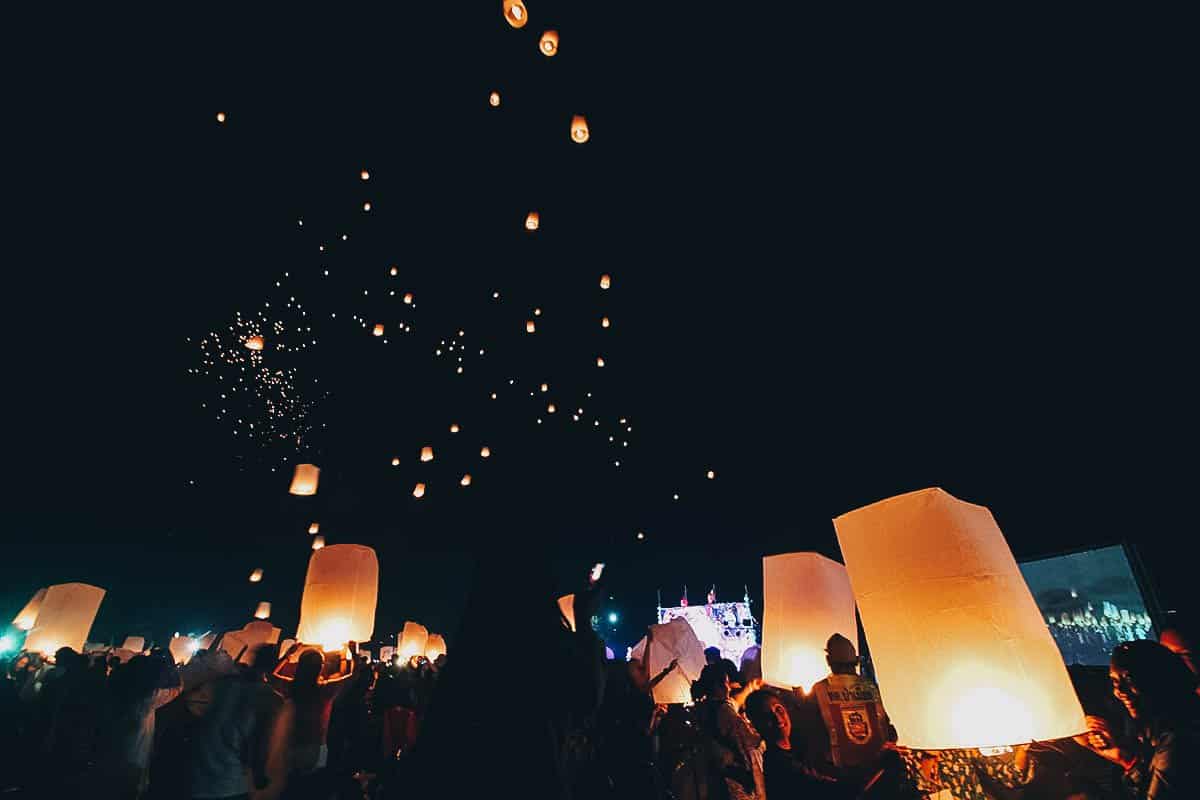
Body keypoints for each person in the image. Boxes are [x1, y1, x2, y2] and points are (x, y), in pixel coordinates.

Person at [1076, 639, 1200, 798]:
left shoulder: (1179, 739)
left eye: (1129, 679)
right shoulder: (1154, 733)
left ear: (1159, 681)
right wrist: (1123, 757)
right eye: (1115, 681)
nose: (1120, 690)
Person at [189, 644, 283, 800]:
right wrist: (260, 777)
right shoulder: (266, 696)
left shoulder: (222, 684)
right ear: (272, 665)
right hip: (231, 782)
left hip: (199, 775)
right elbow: (259, 741)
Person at [801, 633, 896, 773]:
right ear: (856, 660)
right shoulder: (871, 687)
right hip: (878, 771)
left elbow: (811, 738)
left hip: (841, 777)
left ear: (828, 660)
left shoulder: (819, 691)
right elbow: (889, 731)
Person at [744, 690, 848, 799]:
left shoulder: (800, 750)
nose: (777, 719)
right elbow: (822, 786)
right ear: (757, 725)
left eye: (778, 710)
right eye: (767, 715)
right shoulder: (776, 761)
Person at [695, 662, 765, 800]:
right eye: (727, 683)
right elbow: (750, 740)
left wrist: (751, 687)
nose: (730, 686)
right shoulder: (724, 712)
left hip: (718, 778)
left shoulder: (706, 707)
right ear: (717, 686)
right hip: (734, 782)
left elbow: (734, 703)